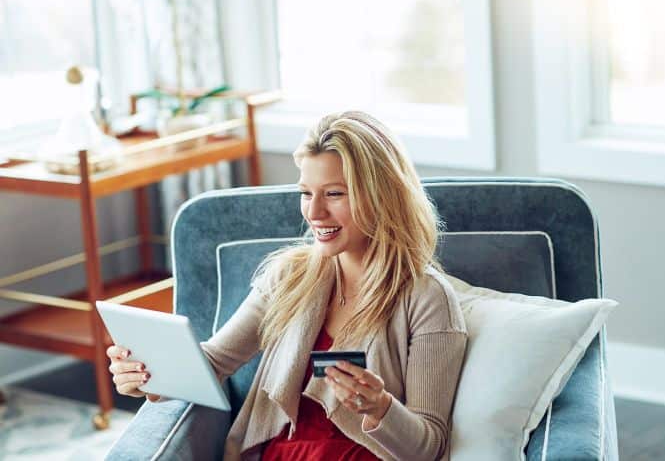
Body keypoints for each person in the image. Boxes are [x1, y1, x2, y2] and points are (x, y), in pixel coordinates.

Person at [106, 111, 468, 460]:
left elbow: (429, 446)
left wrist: (381, 408)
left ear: (381, 196)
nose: (314, 213)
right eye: (307, 193)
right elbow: (214, 362)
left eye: (335, 194)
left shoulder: (426, 297)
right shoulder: (288, 277)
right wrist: (147, 375)